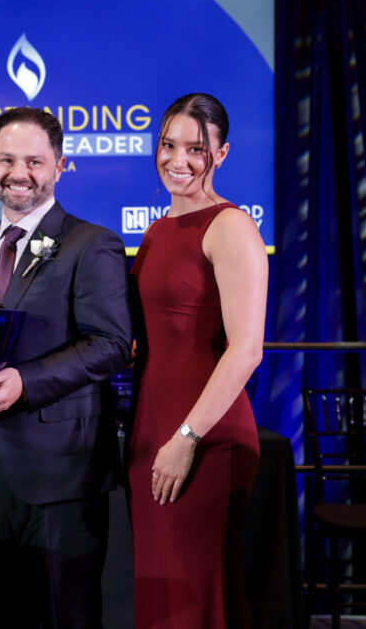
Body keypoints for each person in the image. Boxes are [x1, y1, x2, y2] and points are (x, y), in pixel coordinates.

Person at [0, 107, 132, 629]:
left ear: (59, 167)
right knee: (0, 614)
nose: (19, 172)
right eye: (7, 159)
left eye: (35, 160)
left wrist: (25, 382)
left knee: (65, 616)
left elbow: (112, 344)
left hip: (64, 471)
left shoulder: (91, 243)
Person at [127, 93, 267, 627]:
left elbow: (246, 349)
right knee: (162, 597)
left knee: (196, 598)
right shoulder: (160, 228)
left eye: (195, 149)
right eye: (168, 145)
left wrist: (186, 439)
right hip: (153, 431)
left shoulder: (231, 227)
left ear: (223, 154)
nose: (177, 160)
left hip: (203, 438)